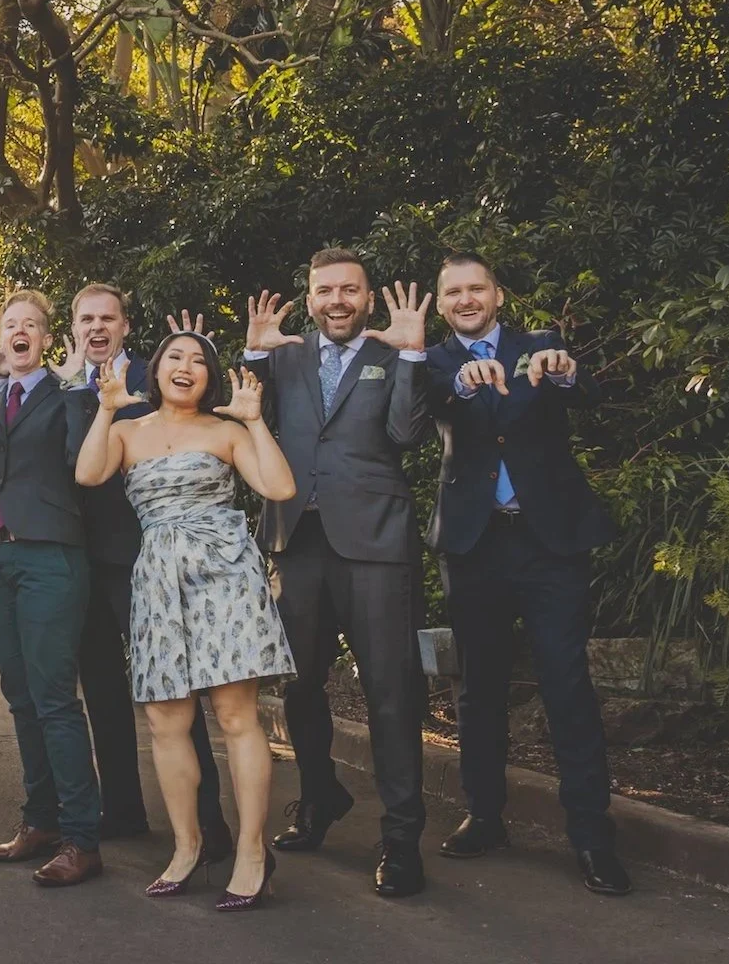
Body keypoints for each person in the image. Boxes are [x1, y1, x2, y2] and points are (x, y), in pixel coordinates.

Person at [424, 252, 630, 896]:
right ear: (439, 303)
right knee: (479, 688)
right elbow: (412, 412)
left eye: (476, 288)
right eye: (453, 291)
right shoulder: (431, 362)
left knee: (566, 683)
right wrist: (460, 385)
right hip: (474, 545)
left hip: (550, 545)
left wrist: (565, 374)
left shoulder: (541, 346)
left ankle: (593, 838)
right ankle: (484, 817)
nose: (466, 299)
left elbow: (593, 395)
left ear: (498, 295)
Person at [76, 327, 296, 911]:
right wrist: (104, 407)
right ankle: (187, 845)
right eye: (175, 355)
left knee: (234, 714)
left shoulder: (225, 431)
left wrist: (254, 421)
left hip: (225, 576)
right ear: (157, 369)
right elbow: (89, 474)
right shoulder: (126, 431)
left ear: (209, 377)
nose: (186, 365)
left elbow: (279, 485)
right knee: (166, 720)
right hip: (157, 581)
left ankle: (252, 851)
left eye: (199, 360)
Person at [242, 250, 432, 898]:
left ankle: (402, 840)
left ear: (369, 297)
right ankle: (321, 798)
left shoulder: (391, 353)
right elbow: (248, 428)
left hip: (376, 544)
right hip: (298, 541)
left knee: (391, 692)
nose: (337, 300)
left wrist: (411, 357)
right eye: (325, 290)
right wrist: (253, 358)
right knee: (299, 686)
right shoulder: (286, 355)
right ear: (312, 296)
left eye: (349, 289)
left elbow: (407, 433)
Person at [0, 290, 101, 887]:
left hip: (52, 554)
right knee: (20, 695)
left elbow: (84, 460)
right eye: (11, 325)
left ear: (48, 340)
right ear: (0, 338)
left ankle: (84, 838)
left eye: (32, 325)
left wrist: (81, 388)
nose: (21, 331)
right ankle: (42, 822)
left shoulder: (66, 394)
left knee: (54, 698)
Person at [58, 284, 231, 859]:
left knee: (176, 693)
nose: (97, 328)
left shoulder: (148, 389)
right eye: (87, 319)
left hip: (142, 560)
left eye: (108, 318)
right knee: (104, 689)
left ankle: (211, 829)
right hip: (75, 560)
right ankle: (125, 810)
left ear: (126, 326)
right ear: (74, 327)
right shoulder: (63, 388)